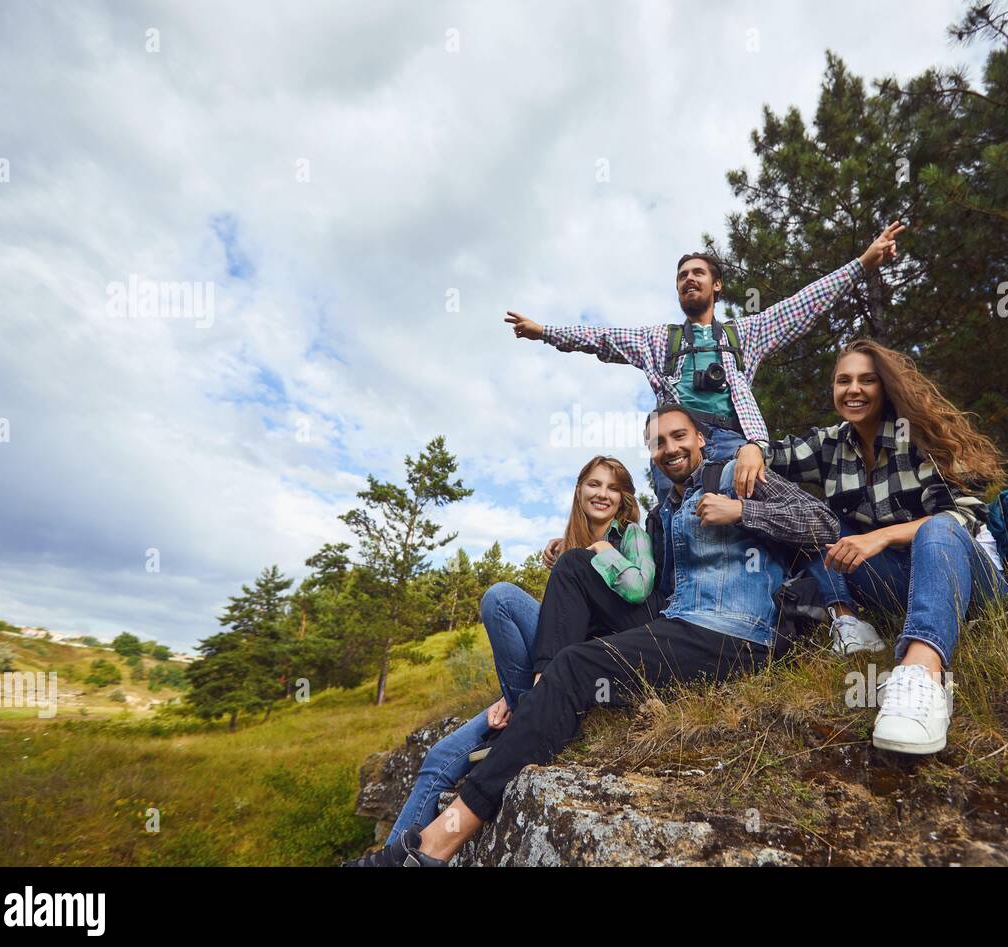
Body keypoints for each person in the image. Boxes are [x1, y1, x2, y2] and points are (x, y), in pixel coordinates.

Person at [375, 403, 841, 866]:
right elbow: (647, 593)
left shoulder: (737, 477)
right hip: (678, 626)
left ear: (700, 438)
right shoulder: (663, 516)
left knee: (574, 664)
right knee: (575, 580)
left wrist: (741, 511)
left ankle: (433, 847)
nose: (669, 448)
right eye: (658, 442)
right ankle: (540, 696)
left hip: (738, 634)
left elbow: (823, 523)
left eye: (679, 436)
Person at [342, 455, 658, 867]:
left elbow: (639, 589)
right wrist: (508, 695)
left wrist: (598, 550)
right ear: (579, 490)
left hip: (597, 667)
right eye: (594, 484)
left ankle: (532, 705)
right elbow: (555, 629)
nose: (602, 494)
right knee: (499, 603)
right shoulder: (566, 549)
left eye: (613, 488)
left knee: (533, 600)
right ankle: (393, 858)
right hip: (550, 669)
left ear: (623, 499)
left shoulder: (631, 535)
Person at [732, 339, 1008, 755]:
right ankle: (850, 625)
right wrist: (751, 448)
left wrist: (880, 536)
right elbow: (776, 455)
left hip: (968, 584)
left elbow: (964, 520)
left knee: (936, 528)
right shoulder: (830, 444)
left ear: (886, 387)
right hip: (898, 584)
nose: (853, 389)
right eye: (843, 381)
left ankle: (921, 675)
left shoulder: (919, 437)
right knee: (820, 518)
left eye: (867, 380)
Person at [504, 223, 906, 502]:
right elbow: (600, 338)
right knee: (675, 523)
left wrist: (863, 263)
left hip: (734, 441)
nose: (688, 279)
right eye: (682, 276)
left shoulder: (744, 333)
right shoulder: (657, 338)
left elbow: (803, 304)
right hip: (676, 444)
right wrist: (545, 331)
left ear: (716, 285)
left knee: (748, 517)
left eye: (698, 273)